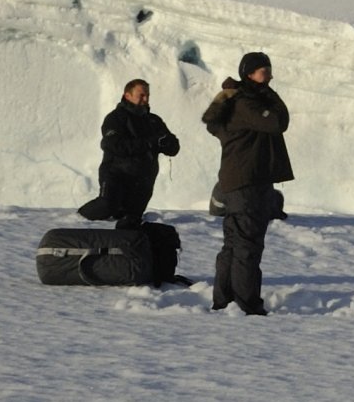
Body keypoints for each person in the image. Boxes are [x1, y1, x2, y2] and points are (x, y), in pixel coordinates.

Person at [202, 52, 292, 316]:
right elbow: (278, 121)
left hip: (239, 181)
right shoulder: (246, 103)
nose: (270, 76)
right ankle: (246, 304)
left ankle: (225, 299)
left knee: (234, 243)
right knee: (247, 245)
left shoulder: (236, 102)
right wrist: (267, 92)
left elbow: (213, 123)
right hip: (248, 182)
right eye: (264, 72)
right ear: (249, 74)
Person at [82, 79, 181, 228]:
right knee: (107, 206)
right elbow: (114, 145)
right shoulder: (115, 118)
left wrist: (167, 143)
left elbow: (174, 148)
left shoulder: (154, 121)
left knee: (131, 219)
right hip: (116, 174)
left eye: (147, 95)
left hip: (143, 180)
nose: (145, 99)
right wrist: (149, 143)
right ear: (127, 96)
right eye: (141, 95)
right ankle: (75, 220)